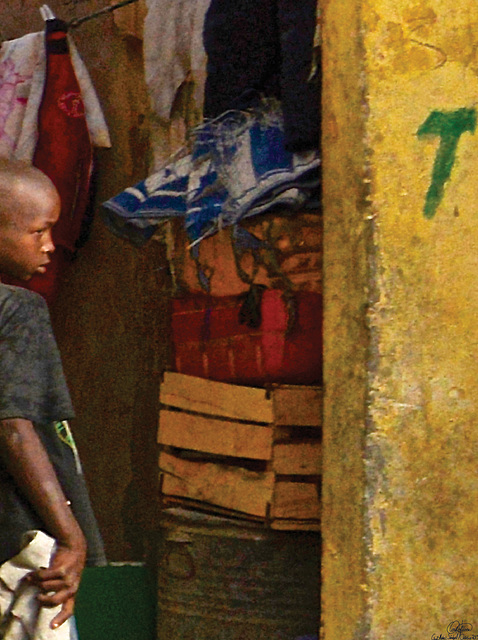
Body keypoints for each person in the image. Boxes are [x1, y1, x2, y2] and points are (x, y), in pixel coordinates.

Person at [0, 159, 106, 632]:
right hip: (16, 546)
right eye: (38, 231)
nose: (48, 245)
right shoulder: (18, 310)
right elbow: (14, 428)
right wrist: (70, 536)